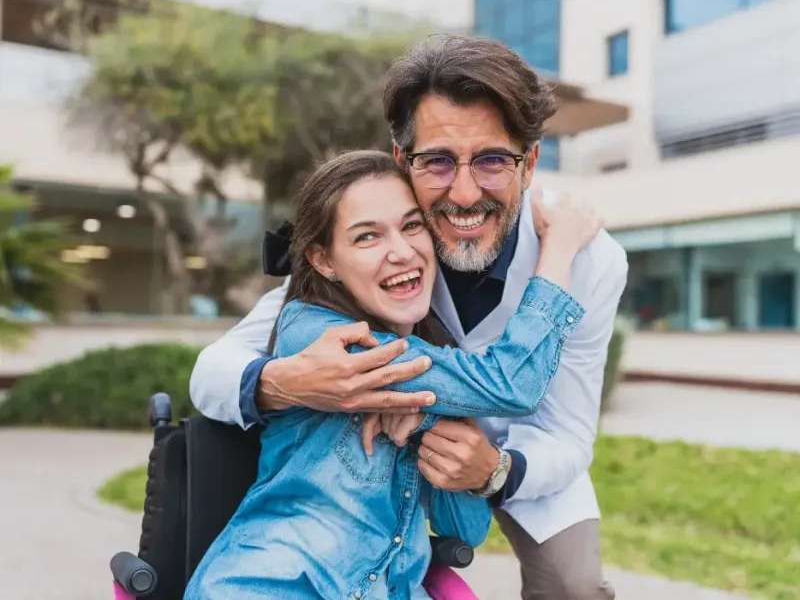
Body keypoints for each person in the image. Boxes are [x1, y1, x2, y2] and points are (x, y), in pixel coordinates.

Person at [190, 34, 628, 600]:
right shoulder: (388, 237)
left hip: (520, 448)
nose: (465, 194)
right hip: (300, 559)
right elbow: (215, 369)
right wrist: (286, 381)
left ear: (530, 162)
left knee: (576, 586)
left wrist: (493, 469)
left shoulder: (587, 259)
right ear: (405, 161)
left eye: (493, 159)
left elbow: (566, 433)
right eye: (440, 161)